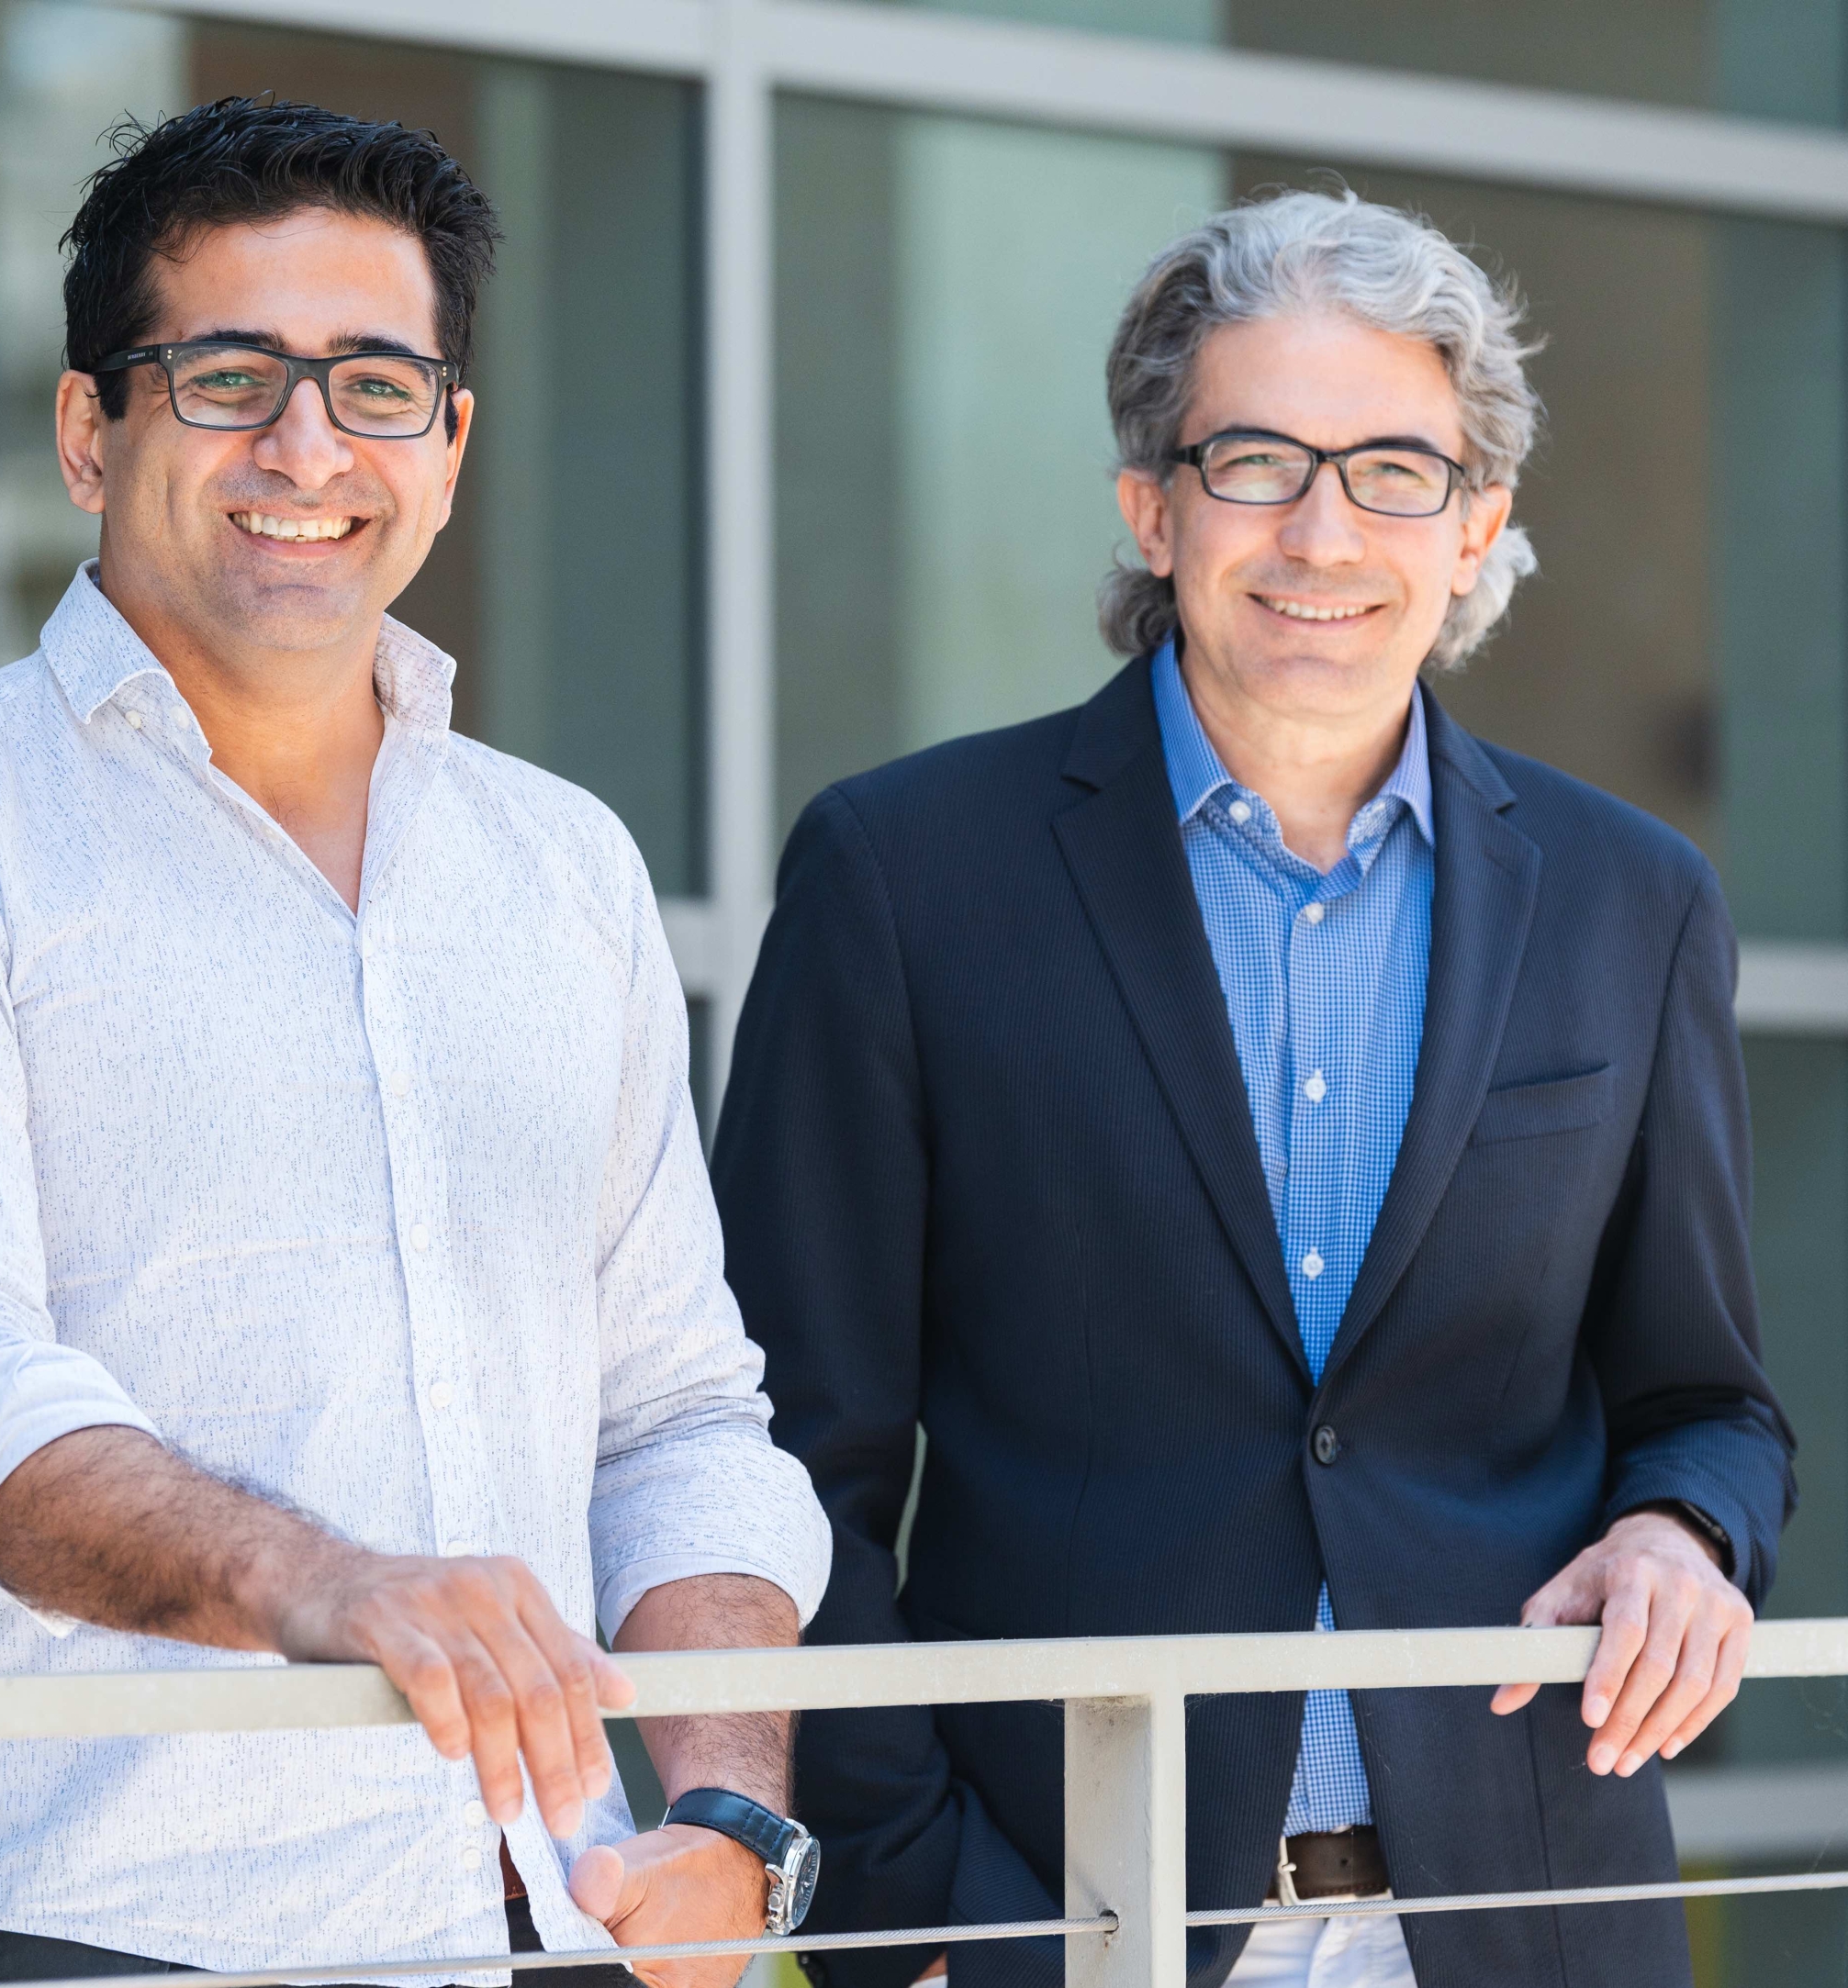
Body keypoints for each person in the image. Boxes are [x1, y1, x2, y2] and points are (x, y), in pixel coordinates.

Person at [0, 97, 830, 1988]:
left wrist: (730, 1812)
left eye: (377, 385)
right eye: (229, 376)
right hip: (112, 1932)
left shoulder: (563, 868)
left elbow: (677, 1415)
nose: (307, 447)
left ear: (452, 443)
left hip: (540, 1928)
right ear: (95, 433)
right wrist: (332, 1590)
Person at [711, 189, 1794, 1988]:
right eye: (1257, 460)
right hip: (1072, 1922)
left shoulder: (1634, 905)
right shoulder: (905, 877)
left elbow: (1707, 1402)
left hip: (1523, 1927)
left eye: (1392, 470)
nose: (1322, 530)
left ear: (1476, 528)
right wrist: (924, 1913)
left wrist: (1688, 1537)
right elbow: (777, 1459)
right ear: (1153, 505)